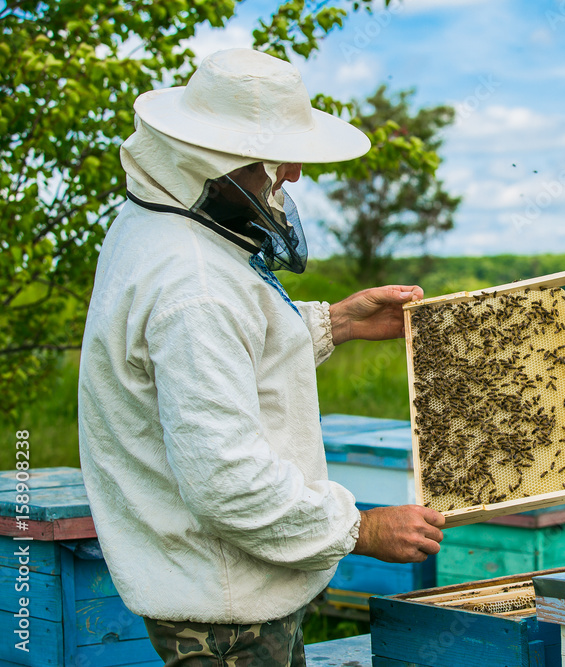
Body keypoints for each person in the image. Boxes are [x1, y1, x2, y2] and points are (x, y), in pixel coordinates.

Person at [77, 48, 445, 666]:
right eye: (278, 159)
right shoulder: (191, 285)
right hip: (226, 614)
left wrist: (336, 322)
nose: (295, 174)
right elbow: (228, 480)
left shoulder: (158, 226)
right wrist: (362, 529)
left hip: (223, 591)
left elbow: (214, 344)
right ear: (220, 165)